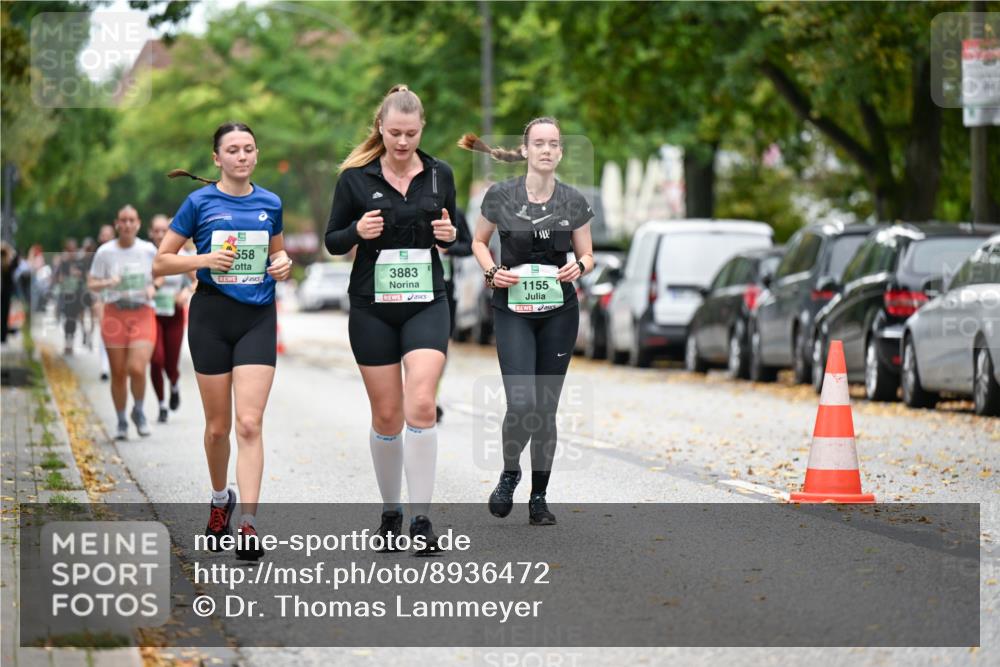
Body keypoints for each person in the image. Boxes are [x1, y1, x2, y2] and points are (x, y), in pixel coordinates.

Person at [325, 84, 457, 555]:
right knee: (386, 415)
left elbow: (454, 241)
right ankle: (390, 512)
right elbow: (333, 241)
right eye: (395, 133)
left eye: (411, 134)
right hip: (372, 306)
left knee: (420, 402)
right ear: (380, 128)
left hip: (426, 301)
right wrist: (356, 230)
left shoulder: (440, 174)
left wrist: (449, 235)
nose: (403, 142)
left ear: (422, 130)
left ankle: (422, 519)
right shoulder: (355, 179)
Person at [154, 121, 292, 562]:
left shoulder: (270, 202)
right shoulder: (198, 202)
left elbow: (278, 253)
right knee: (218, 428)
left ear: (256, 154)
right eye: (232, 150)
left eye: (249, 148)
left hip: (257, 318)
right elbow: (160, 263)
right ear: (217, 158)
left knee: (249, 424)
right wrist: (205, 259)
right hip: (211, 316)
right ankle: (220, 499)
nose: (242, 156)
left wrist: (283, 263)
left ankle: (249, 524)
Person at [459, 118, 594, 525]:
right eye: (539, 143)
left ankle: (539, 497)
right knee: (522, 402)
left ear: (561, 152)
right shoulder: (501, 196)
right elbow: (479, 242)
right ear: (525, 150)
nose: (547, 150)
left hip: (558, 312)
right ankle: (509, 472)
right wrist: (490, 271)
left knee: (546, 408)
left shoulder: (573, 201)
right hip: (513, 309)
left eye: (554, 144)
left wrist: (580, 268)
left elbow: (587, 254)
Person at [87, 206, 159, 440]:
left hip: (142, 312)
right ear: (117, 224)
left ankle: (138, 410)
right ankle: (120, 421)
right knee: (118, 372)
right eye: (123, 220)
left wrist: (153, 286)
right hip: (114, 313)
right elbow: (91, 283)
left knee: (137, 368)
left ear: (138, 224)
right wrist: (109, 282)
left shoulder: (148, 249)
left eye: (131, 220)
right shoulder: (105, 252)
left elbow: (162, 272)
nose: (127, 224)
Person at [148, 215, 194, 423]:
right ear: (150, 233)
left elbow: (199, 280)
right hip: (150, 315)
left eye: (163, 230)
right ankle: (161, 404)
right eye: (156, 231)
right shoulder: (146, 254)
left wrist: (186, 292)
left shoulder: (182, 255)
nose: (159, 235)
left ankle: (174, 385)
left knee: (170, 363)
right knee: (156, 360)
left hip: (174, 315)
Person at [435, 207, 472, 422]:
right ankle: (415, 391)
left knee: (441, 348)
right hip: (411, 289)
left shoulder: (454, 213)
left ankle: (432, 395)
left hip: (446, 290)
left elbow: (469, 246)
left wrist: (448, 249)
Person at [56, 238, 87, 355]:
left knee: (74, 319)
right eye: (70, 249)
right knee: (67, 318)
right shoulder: (63, 262)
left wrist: (78, 275)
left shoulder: (80, 262)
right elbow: (59, 278)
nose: (72, 251)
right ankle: (67, 341)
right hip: (67, 294)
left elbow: (85, 277)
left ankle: (72, 341)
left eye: (73, 249)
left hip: (77, 294)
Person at [95, 224, 116, 380]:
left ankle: (115, 363)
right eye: (103, 234)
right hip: (101, 297)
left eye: (109, 234)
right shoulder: (97, 255)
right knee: (104, 330)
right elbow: (91, 280)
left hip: (118, 298)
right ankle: (104, 367)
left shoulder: (119, 253)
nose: (106, 237)